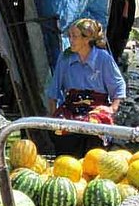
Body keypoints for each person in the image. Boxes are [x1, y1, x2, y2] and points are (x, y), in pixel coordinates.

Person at [47, 17, 126, 156]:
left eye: (75, 36)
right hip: (71, 106)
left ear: (87, 39)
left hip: (96, 107)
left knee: (93, 128)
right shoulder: (65, 58)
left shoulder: (103, 58)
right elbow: (54, 90)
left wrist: (112, 108)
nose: (71, 40)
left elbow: (118, 86)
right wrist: (54, 115)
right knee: (61, 128)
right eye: (70, 36)